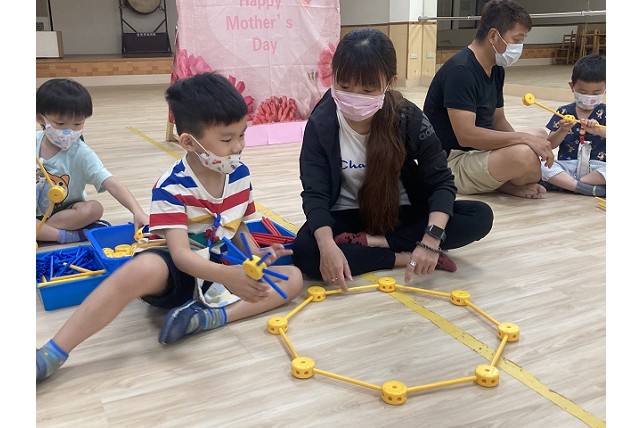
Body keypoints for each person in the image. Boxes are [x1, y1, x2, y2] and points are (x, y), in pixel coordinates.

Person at [36, 72, 303, 382]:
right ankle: (53, 352)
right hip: (177, 270)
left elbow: (239, 225)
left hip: (217, 265)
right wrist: (230, 276)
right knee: (140, 269)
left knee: (293, 278)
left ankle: (210, 318)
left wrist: (253, 259)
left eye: (242, 135)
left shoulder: (240, 174)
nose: (237, 147)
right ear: (188, 142)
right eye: (227, 139)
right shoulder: (172, 186)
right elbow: (180, 256)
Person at [292, 28, 494, 291]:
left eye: (367, 89)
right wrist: (327, 245)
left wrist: (431, 240)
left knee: (479, 216)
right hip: (345, 214)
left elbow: (441, 182)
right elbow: (315, 193)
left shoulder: (407, 118)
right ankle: (400, 257)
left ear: (390, 82)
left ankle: (376, 244)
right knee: (307, 252)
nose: (355, 97)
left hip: (400, 213)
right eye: (344, 86)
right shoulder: (322, 122)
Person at [423, 0, 555, 199]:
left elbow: (498, 120)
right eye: (517, 39)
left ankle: (502, 181)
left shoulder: (496, 69)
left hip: (479, 152)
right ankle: (504, 182)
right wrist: (523, 142)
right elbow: (466, 135)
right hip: (452, 161)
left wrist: (529, 142)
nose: (519, 47)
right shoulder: (461, 70)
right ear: (493, 35)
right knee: (526, 155)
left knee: (540, 135)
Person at [36, 78, 149, 243]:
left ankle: (43, 231)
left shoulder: (81, 153)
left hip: (66, 213)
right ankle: (66, 236)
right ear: (40, 118)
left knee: (94, 208)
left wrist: (137, 211)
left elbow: (111, 182)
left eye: (77, 124)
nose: (69, 131)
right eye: (60, 123)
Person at [540, 54, 606, 197]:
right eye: (583, 92)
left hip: (599, 167)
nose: (589, 97)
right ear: (572, 86)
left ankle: (573, 184)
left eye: (596, 93)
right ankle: (586, 188)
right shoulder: (564, 112)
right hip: (569, 165)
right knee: (542, 166)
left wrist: (599, 131)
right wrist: (562, 130)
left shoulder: (607, 112)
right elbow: (550, 145)